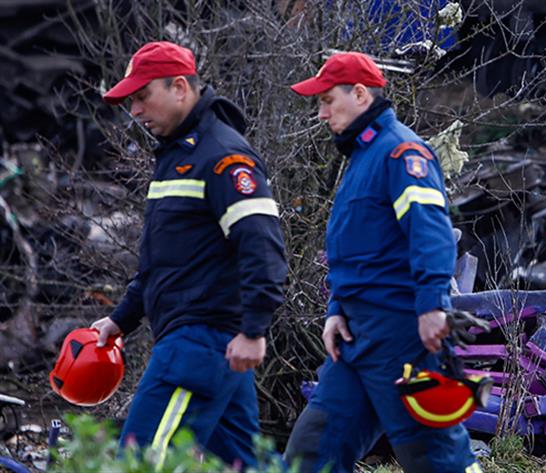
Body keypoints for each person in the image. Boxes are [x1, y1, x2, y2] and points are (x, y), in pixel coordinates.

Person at [89, 41, 288, 469]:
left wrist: (254, 328)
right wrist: (121, 318)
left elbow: (263, 245)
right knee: (238, 464)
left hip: (199, 342)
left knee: (141, 461)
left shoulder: (223, 158)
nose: (135, 111)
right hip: (207, 345)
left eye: (143, 97)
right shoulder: (177, 157)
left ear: (180, 87)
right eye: (130, 101)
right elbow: (164, 262)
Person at [283, 52, 480, 473]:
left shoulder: (402, 153)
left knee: (436, 460)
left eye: (327, 101)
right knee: (311, 454)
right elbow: (356, 252)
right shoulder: (360, 158)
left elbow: (431, 232)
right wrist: (337, 310)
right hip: (355, 340)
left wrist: (431, 305)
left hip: (402, 335)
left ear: (359, 94)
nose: (320, 114)